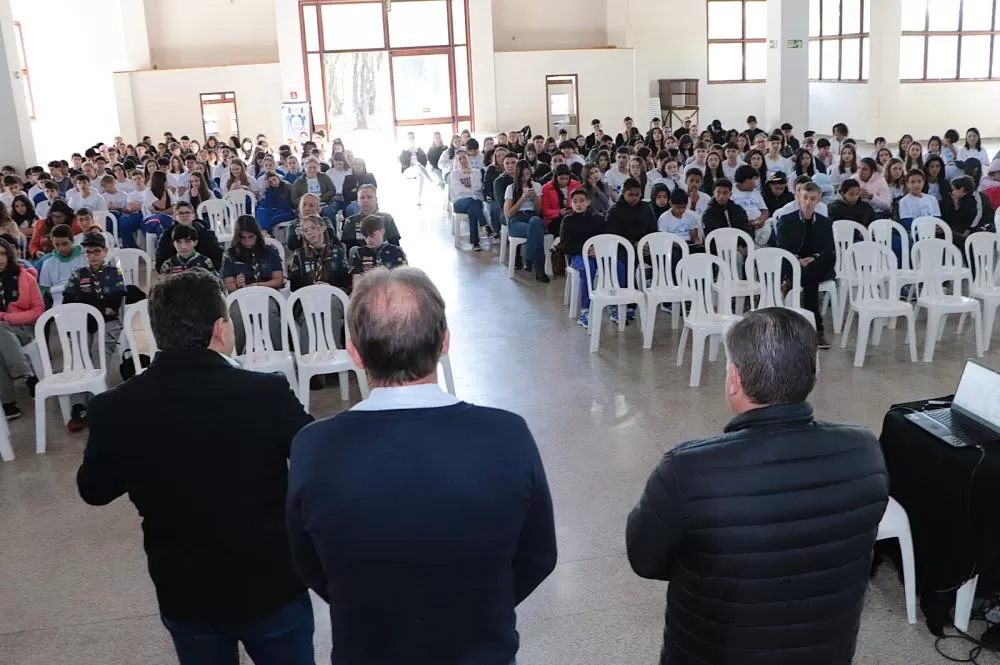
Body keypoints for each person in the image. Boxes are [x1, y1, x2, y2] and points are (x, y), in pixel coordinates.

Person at [287, 266, 556, 665]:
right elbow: (538, 555)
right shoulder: (506, 435)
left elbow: (308, 563)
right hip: (480, 647)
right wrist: (477, 605)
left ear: (354, 351)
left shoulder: (314, 448)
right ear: (445, 342)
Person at [77, 268, 315, 665]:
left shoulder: (114, 407)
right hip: (269, 584)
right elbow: (315, 459)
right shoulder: (265, 393)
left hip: (183, 590)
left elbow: (95, 490)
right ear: (220, 328)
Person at [627, 306, 888, 665]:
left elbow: (646, 559)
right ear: (815, 371)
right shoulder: (864, 449)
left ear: (734, 378)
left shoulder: (687, 469)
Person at [62, 232, 126, 431]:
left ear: (105, 252)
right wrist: (98, 304)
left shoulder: (114, 273)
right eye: (88, 252)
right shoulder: (78, 274)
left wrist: (86, 300)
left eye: (97, 251)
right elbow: (68, 301)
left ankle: (99, 401)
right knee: (79, 354)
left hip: (109, 323)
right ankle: (79, 405)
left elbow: (114, 304)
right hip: (82, 322)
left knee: (98, 350)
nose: (93, 256)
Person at [777, 182, 835, 348]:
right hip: (793, 262)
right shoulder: (786, 220)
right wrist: (797, 259)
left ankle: (790, 284)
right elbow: (782, 245)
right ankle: (817, 329)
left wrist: (813, 258)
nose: (808, 202)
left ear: (818, 200)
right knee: (808, 279)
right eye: (805, 198)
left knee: (815, 270)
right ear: (798, 197)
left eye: (812, 199)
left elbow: (828, 247)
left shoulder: (825, 223)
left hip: (815, 264)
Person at [222, 215, 285, 352]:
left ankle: (279, 353)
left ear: (257, 235)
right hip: (241, 297)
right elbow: (229, 285)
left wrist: (257, 286)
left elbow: (278, 280)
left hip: (267, 293)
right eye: (243, 238)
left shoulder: (270, 251)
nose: (247, 241)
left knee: (270, 315)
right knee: (237, 318)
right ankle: (236, 356)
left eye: (251, 237)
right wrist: (238, 286)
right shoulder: (230, 255)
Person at [560, 188, 614, 329]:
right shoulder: (568, 221)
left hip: (598, 254)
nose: (578, 204)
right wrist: (585, 249)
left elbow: (606, 238)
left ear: (588, 202)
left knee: (616, 265)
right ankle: (586, 309)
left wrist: (599, 249)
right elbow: (565, 247)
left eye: (582, 201)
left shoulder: (598, 219)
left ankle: (613, 303)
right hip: (578, 256)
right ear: (570, 203)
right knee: (588, 269)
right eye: (575, 201)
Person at [0, 236, 41, 419]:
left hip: (23, 328)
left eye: (2, 254)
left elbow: (38, 309)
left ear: (9, 255)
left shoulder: (25, 277)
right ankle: (27, 375)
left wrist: (9, 318)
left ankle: (8, 401)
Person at [503, 160, 548, 283]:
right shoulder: (511, 188)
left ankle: (529, 259)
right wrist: (522, 199)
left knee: (536, 222)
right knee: (536, 231)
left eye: (528, 174)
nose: (525, 178)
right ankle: (539, 270)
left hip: (532, 217)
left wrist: (535, 198)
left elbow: (538, 211)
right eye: (523, 175)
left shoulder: (536, 186)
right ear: (518, 175)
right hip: (517, 219)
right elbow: (509, 213)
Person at [155, 201, 223, 269]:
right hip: (176, 274)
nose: (184, 215)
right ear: (175, 217)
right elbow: (160, 261)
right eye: (180, 213)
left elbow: (217, 258)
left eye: (187, 212)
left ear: (194, 216)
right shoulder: (167, 235)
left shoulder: (207, 233)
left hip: (204, 273)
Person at [348, 214, 408, 288]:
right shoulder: (359, 253)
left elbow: (404, 278)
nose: (368, 240)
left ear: (382, 231)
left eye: (372, 235)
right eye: (365, 236)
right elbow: (357, 281)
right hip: (368, 293)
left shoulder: (396, 251)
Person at [340, 184, 401, 252]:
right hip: (361, 258)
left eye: (369, 197)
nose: (365, 200)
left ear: (376, 200)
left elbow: (395, 244)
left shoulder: (386, 218)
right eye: (362, 198)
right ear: (357, 201)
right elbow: (349, 248)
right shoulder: (351, 221)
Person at [448, 149, 487, 251]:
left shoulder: (476, 172)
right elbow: (458, 190)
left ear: (468, 158)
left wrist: (471, 174)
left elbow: (477, 188)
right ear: (457, 161)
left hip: (473, 202)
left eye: (464, 157)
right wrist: (471, 193)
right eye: (459, 159)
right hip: (459, 202)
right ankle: (485, 225)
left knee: (472, 210)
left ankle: (475, 243)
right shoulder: (454, 174)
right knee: (474, 202)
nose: (462, 160)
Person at [947, 175, 995, 248]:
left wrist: (969, 229)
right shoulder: (962, 200)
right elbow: (959, 217)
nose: (952, 193)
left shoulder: (977, 196)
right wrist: (956, 205)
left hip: (982, 229)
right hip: (968, 230)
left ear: (962, 189)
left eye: (954, 190)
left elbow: (979, 214)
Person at [540, 164, 580, 237]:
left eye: (566, 178)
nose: (564, 181)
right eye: (561, 179)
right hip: (553, 220)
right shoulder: (546, 189)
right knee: (567, 226)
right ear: (556, 177)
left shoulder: (575, 185)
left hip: (573, 215)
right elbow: (545, 211)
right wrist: (559, 212)